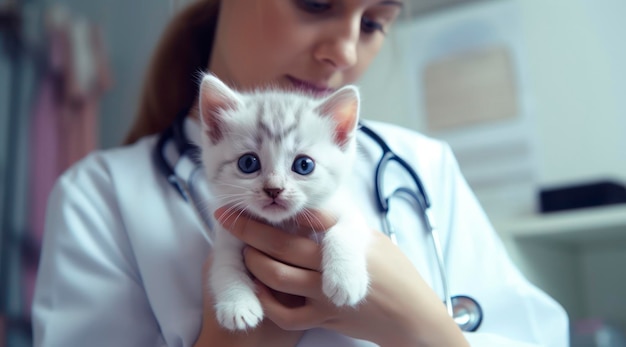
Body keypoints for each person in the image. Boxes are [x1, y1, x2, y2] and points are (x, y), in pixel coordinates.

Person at [32, 0, 569, 346]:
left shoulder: (424, 167)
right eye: (315, 3)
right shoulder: (97, 196)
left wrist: (424, 330)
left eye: (374, 22)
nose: (344, 49)